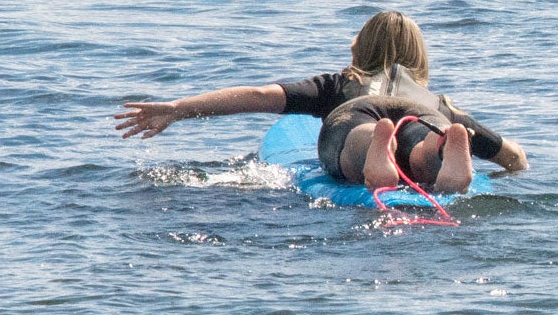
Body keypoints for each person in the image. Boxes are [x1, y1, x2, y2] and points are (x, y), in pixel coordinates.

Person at [113, 10, 528, 195]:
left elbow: (259, 97)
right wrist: (510, 167)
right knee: (422, 141)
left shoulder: (339, 84)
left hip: (355, 116)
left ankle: (373, 149)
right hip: (426, 116)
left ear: (358, 48)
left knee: (359, 137)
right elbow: (514, 156)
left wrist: (178, 108)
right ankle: (436, 152)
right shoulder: (438, 100)